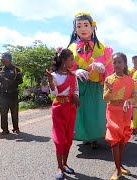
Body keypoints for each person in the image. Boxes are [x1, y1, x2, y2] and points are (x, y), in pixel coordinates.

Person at [68, 12, 113, 148]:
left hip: (95, 87)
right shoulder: (70, 48)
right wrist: (75, 71)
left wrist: (104, 70)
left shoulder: (103, 49)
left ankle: (93, 137)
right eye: (79, 26)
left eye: (86, 25)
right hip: (77, 87)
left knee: (95, 113)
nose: (83, 29)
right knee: (79, 114)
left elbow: (111, 70)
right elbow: (64, 68)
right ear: (75, 29)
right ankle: (83, 136)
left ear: (92, 28)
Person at [46, 48, 80, 180]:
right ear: (64, 61)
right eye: (71, 59)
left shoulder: (73, 75)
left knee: (69, 137)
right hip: (59, 108)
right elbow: (54, 94)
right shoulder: (54, 76)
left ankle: (65, 164)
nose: (73, 61)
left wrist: (76, 96)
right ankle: (59, 167)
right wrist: (50, 81)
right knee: (60, 139)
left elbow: (76, 88)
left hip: (71, 108)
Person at [103, 52, 136, 180]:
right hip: (112, 111)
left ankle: (120, 165)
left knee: (123, 138)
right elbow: (105, 98)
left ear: (125, 64)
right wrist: (110, 89)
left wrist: (129, 101)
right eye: (114, 62)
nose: (116, 65)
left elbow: (134, 97)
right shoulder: (108, 79)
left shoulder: (130, 80)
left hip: (125, 112)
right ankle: (117, 169)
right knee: (114, 139)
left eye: (119, 62)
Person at [0, 52, 23, 135]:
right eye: (2, 58)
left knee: (14, 112)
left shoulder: (16, 69)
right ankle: (5, 129)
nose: (3, 60)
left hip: (13, 94)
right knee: (3, 113)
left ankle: (16, 128)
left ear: (9, 59)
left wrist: (10, 82)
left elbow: (20, 81)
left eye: (5, 58)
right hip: (3, 95)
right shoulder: (1, 70)